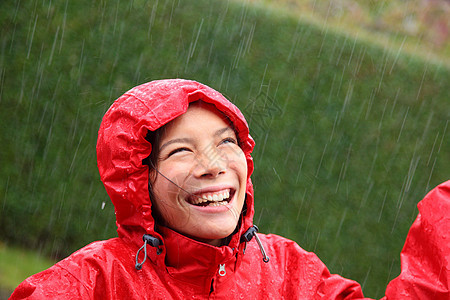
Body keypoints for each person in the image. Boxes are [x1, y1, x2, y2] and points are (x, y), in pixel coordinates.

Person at [10, 79, 449, 299]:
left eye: (226, 143)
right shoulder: (91, 285)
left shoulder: (289, 274)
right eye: (182, 151)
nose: (213, 166)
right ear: (137, 180)